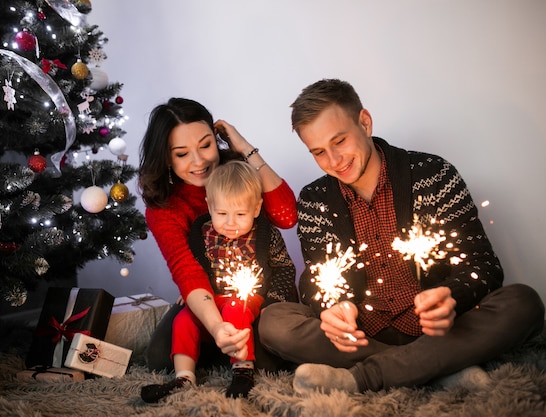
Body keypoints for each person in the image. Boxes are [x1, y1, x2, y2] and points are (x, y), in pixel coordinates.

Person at [258, 78, 545, 394]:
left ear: (364, 123)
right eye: (319, 152)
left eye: (339, 141)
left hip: (440, 332)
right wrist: (331, 307)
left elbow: (484, 267)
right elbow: (314, 280)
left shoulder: (433, 174)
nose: (334, 161)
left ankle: (363, 378)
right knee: (274, 321)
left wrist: (452, 295)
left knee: (523, 302)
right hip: (364, 335)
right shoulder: (314, 200)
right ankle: (438, 367)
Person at [137, 98, 298, 376]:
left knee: (269, 358)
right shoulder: (164, 206)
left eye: (206, 145)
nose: (199, 161)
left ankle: (229, 350)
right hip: (207, 294)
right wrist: (215, 326)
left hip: (256, 295)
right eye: (182, 154)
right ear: (165, 156)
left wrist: (246, 149)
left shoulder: (237, 173)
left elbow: (286, 216)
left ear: (217, 139)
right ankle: (219, 343)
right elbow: (186, 270)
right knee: (161, 357)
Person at [140, 161, 298, 402]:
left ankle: (242, 370)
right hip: (212, 300)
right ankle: (184, 376)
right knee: (184, 319)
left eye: (240, 214)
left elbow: (285, 268)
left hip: (249, 298)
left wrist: (273, 302)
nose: (230, 223)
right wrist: (189, 292)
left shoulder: (266, 235)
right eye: (222, 213)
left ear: (256, 209)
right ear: (209, 206)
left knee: (236, 310)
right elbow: (192, 271)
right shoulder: (201, 234)